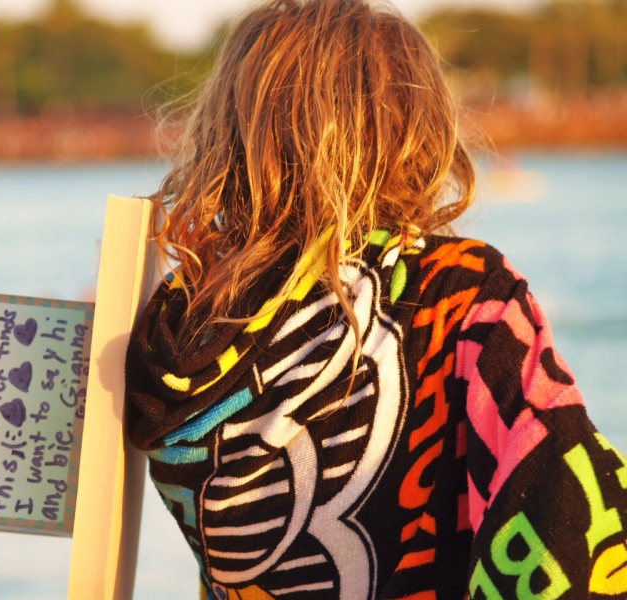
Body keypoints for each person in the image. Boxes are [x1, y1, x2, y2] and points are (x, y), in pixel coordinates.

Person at [125, 0, 627, 597]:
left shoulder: (178, 327)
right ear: (415, 129)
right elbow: (567, 514)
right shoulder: (456, 292)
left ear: (228, 133)